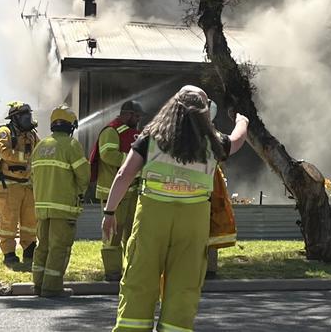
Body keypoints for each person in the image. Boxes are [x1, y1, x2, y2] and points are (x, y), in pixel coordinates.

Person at [103, 85, 248, 331]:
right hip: (193, 223)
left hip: (151, 217)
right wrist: (242, 121)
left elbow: (123, 174)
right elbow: (236, 141)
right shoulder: (212, 144)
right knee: (184, 286)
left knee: (140, 279)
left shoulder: (151, 138)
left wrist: (109, 213)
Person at [31, 105, 90, 297]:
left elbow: (33, 176)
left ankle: (39, 285)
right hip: (63, 207)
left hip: (42, 207)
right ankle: (52, 288)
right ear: (71, 126)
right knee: (59, 247)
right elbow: (84, 176)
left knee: (43, 247)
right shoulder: (71, 145)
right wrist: (78, 193)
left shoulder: (40, 146)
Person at [89, 100, 143, 281]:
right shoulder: (110, 131)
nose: (138, 120)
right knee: (112, 235)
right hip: (114, 193)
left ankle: (131, 272)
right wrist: (133, 161)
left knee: (133, 235)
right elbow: (107, 155)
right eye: (136, 116)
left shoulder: (134, 134)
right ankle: (112, 273)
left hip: (133, 192)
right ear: (126, 114)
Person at [0, 101, 39, 270]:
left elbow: (38, 151)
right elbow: (5, 153)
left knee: (30, 221)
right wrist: (27, 158)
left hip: (27, 185)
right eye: (25, 115)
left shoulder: (31, 135)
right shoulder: (4, 133)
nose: (28, 118)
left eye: (29, 114)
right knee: (9, 222)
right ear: (15, 117)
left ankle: (30, 249)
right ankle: (9, 254)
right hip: (8, 186)